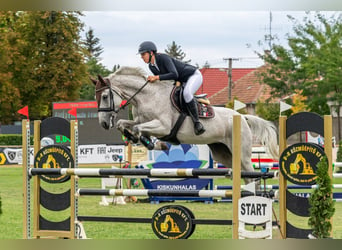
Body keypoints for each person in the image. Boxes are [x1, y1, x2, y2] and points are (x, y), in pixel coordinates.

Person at [138, 41, 205, 135]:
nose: (142, 57)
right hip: (181, 81)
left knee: (187, 93)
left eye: (143, 54)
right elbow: (165, 81)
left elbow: (174, 74)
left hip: (193, 76)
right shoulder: (151, 66)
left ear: (151, 53)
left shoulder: (163, 58)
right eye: (141, 55)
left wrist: (156, 77)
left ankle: (197, 123)